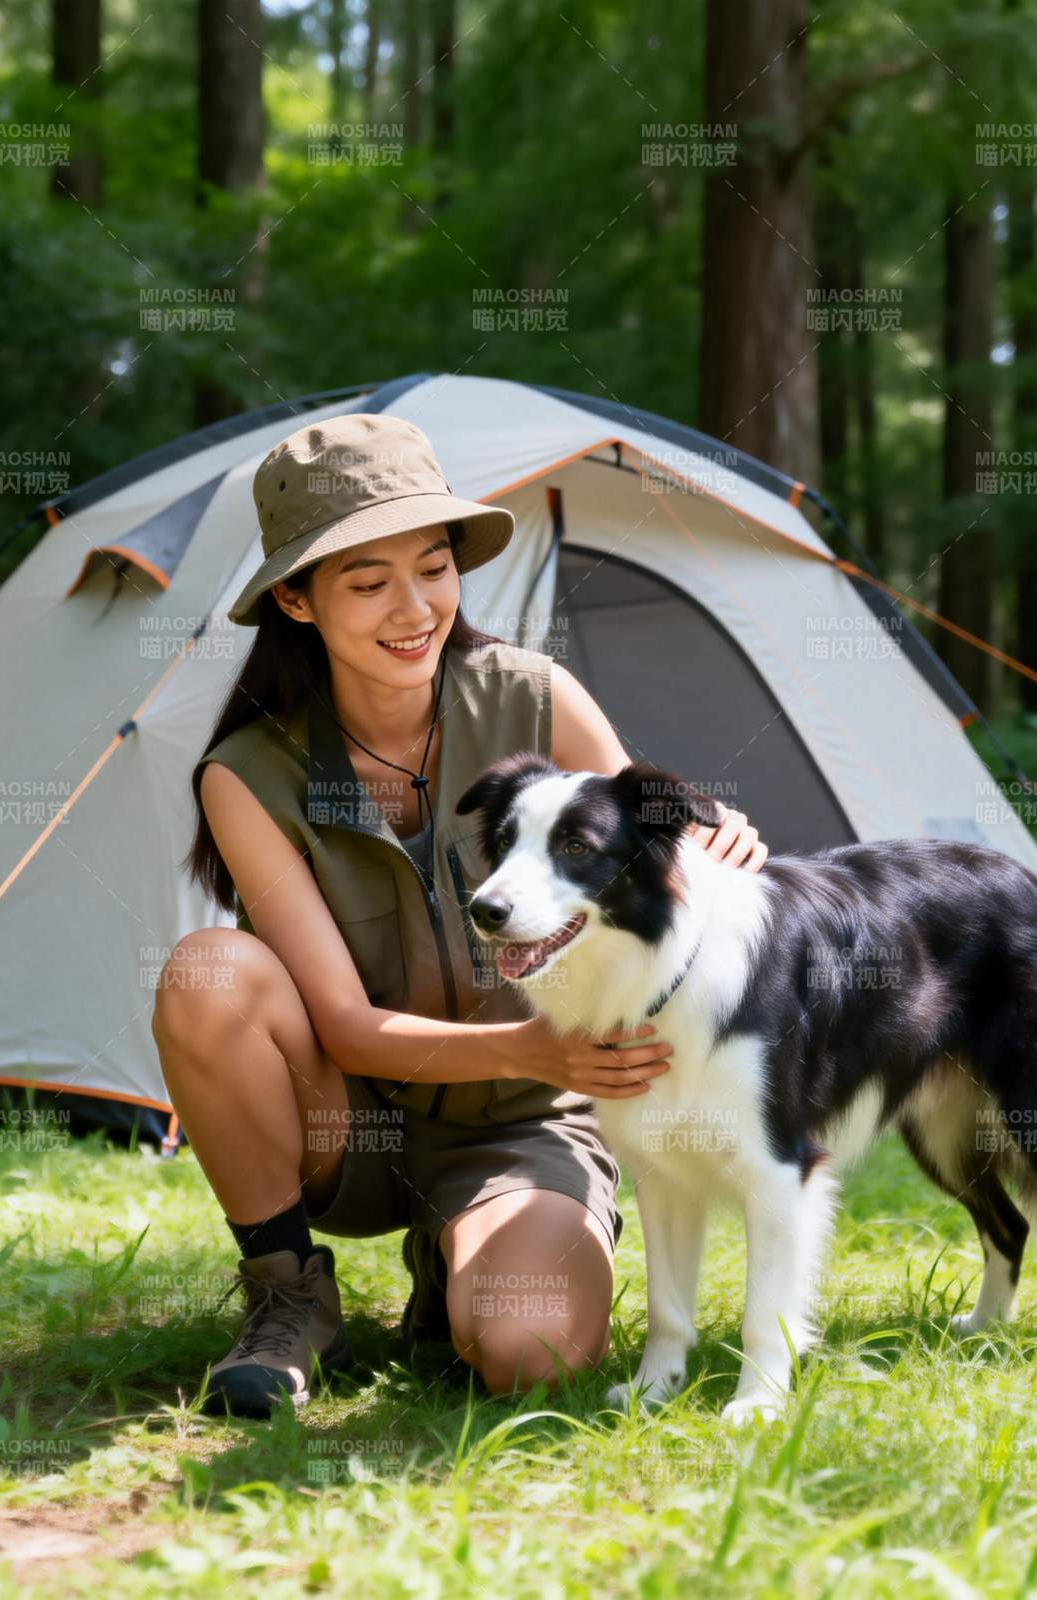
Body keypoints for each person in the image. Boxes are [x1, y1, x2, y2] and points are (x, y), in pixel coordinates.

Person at [151, 411, 767, 1416]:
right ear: (298, 602)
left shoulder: (536, 697)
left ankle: (458, 1270)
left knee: (529, 1352)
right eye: (369, 581)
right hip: (349, 1120)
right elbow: (345, 1027)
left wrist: (713, 839)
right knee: (207, 973)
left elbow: (653, 859)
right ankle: (287, 1297)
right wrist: (539, 1047)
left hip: (529, 1125)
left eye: (434, 567)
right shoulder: (246, 773)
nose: (416, 606)